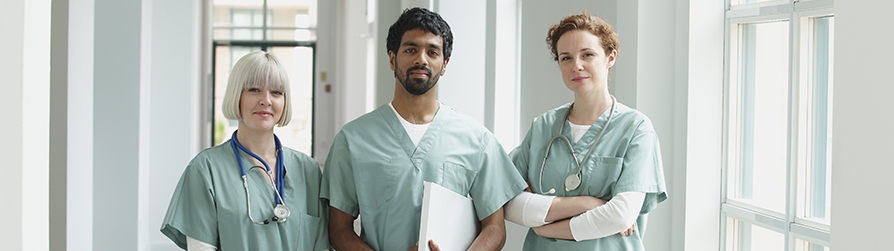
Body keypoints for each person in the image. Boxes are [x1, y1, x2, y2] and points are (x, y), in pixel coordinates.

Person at [321, 7, 527, 251]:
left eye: (432, 51)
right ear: (391, 58)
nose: (422, 59)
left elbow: (494, 227)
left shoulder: (477, 140)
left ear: (445, 63)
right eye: (411, 49)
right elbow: (338, 229)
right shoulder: (353, 140)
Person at [503, 11, 668, 250]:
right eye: (566, 58)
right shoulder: (543, 127)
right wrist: (591, 204)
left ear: (610, 57)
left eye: (587, 55)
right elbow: (506, 201)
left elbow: (620, 215)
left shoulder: (636, 129)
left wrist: (544, 225)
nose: (576, 66)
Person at [160, 51, 329, 251]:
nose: (266, 100)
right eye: (254, 90)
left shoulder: (308, 170)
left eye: (276, 92)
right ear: (236, 95)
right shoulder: (206, 170)